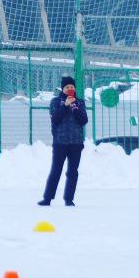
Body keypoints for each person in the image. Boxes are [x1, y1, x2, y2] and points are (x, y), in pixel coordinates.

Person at [39, 75, 88, 206]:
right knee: (56, 171)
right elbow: (55, 119)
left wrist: (74, 107)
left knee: (73, 172)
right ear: (62, 89)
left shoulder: (80, 102)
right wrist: (65, 106)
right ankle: (47, 198)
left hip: (76, 143)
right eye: (67, 87)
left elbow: (84, 120)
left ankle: (69, 199)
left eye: (72, 86)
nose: (70, 89)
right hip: (60, 142)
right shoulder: (55, 101)